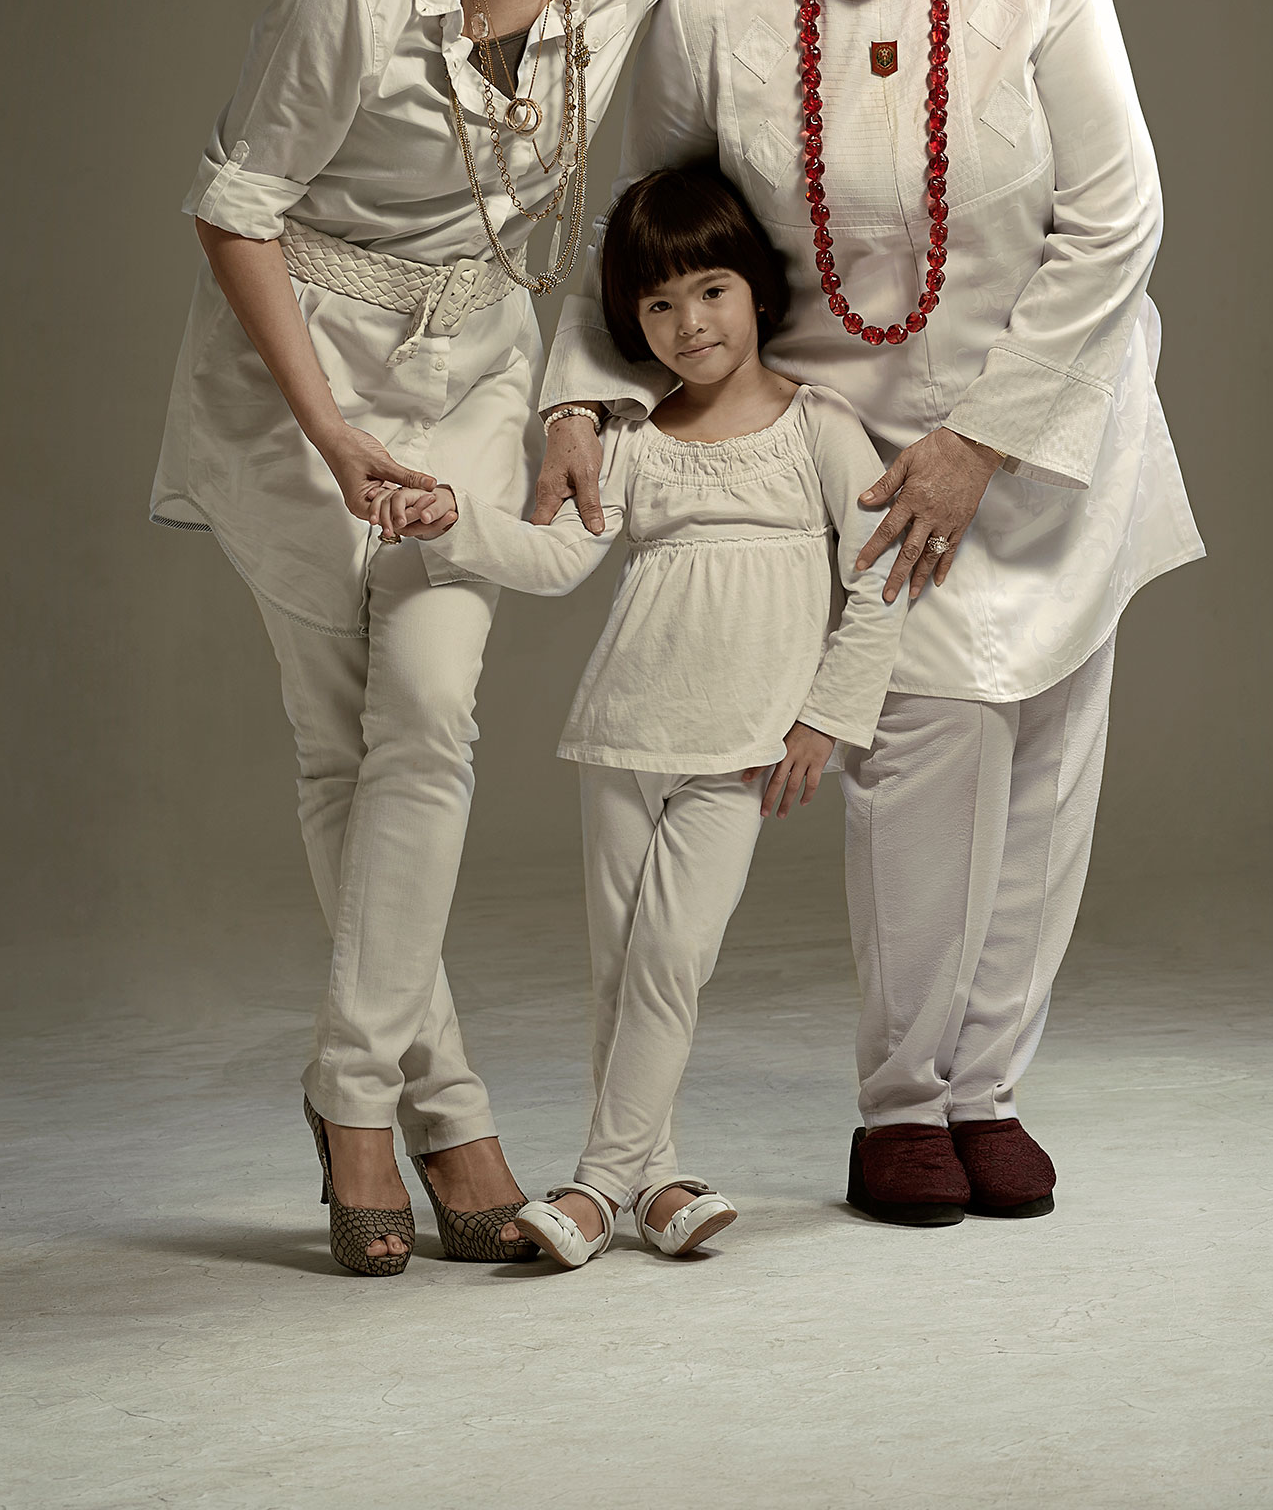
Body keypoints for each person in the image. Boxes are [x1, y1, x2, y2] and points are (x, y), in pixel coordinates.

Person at [150, 0, 1101, 1273]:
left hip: (473, 379)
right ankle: (421, 1104)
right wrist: (332, 433)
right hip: (301, 377)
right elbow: (237, 211)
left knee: (427, 718)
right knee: (341, 743)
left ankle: (368, 1084)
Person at [536, 0, 1204, 1228]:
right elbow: (656, 221)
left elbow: (1118, 216)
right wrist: (581, 384)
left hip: (1052, 425)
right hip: (860, 454)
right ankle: (904, 1101)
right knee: (916, 759)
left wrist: (988, 441)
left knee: (1046, 764)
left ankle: (991, 1090)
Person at [370, 166, 904, 1267]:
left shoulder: (818, 426)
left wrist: (826, 721)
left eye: (710, 292)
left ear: (756, 289)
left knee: (669, 959)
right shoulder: (633, 434)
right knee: (619, 971)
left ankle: (596, 1185)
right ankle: (655, 1181)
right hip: (621, 735)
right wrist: (453, 517)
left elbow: (879, 583)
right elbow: (556, 558)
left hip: (739, 750)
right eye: (658, 305)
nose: (688, 324)